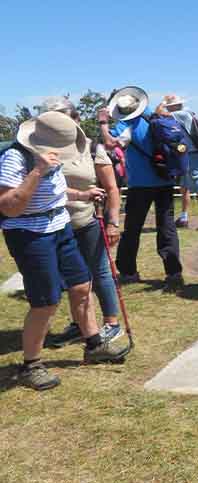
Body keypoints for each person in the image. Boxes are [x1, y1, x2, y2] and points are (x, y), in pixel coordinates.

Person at [0, 112, 131, 390]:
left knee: (82, 286)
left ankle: (94, 344)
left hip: (60, 226)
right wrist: (37, 171)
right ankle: (31, 365)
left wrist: (82, 195)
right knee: (45, 301)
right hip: (30, 235)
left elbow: (56, 189)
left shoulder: (52, 153)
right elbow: (9, 206)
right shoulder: (15, 158)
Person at [32, 97, 124, 347]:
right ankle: (80, 324)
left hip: (87, 220)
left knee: (99, 272)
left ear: (76, 120)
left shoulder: (93, 149)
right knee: (73, 279)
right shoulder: (40, 149)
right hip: (54, 225)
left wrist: (113, 222)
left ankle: (111, 323)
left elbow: (112, 189)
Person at [97, 87, 184, 293]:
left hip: (140, 183)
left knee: (133, 228)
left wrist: (103, 123)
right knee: (167, 226)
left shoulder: (126, 125)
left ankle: (128, 271)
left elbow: (110, 143)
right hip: (165, 179)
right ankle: (174, 272)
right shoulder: (158, 116)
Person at [158, 95, 198, 231]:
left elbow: (159, 114)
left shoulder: (179, 114)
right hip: (190, 153)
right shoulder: (187, 113)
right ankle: (184, 217)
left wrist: (162, 104)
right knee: (184, 186)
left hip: (191, 154)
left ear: (173, 106)